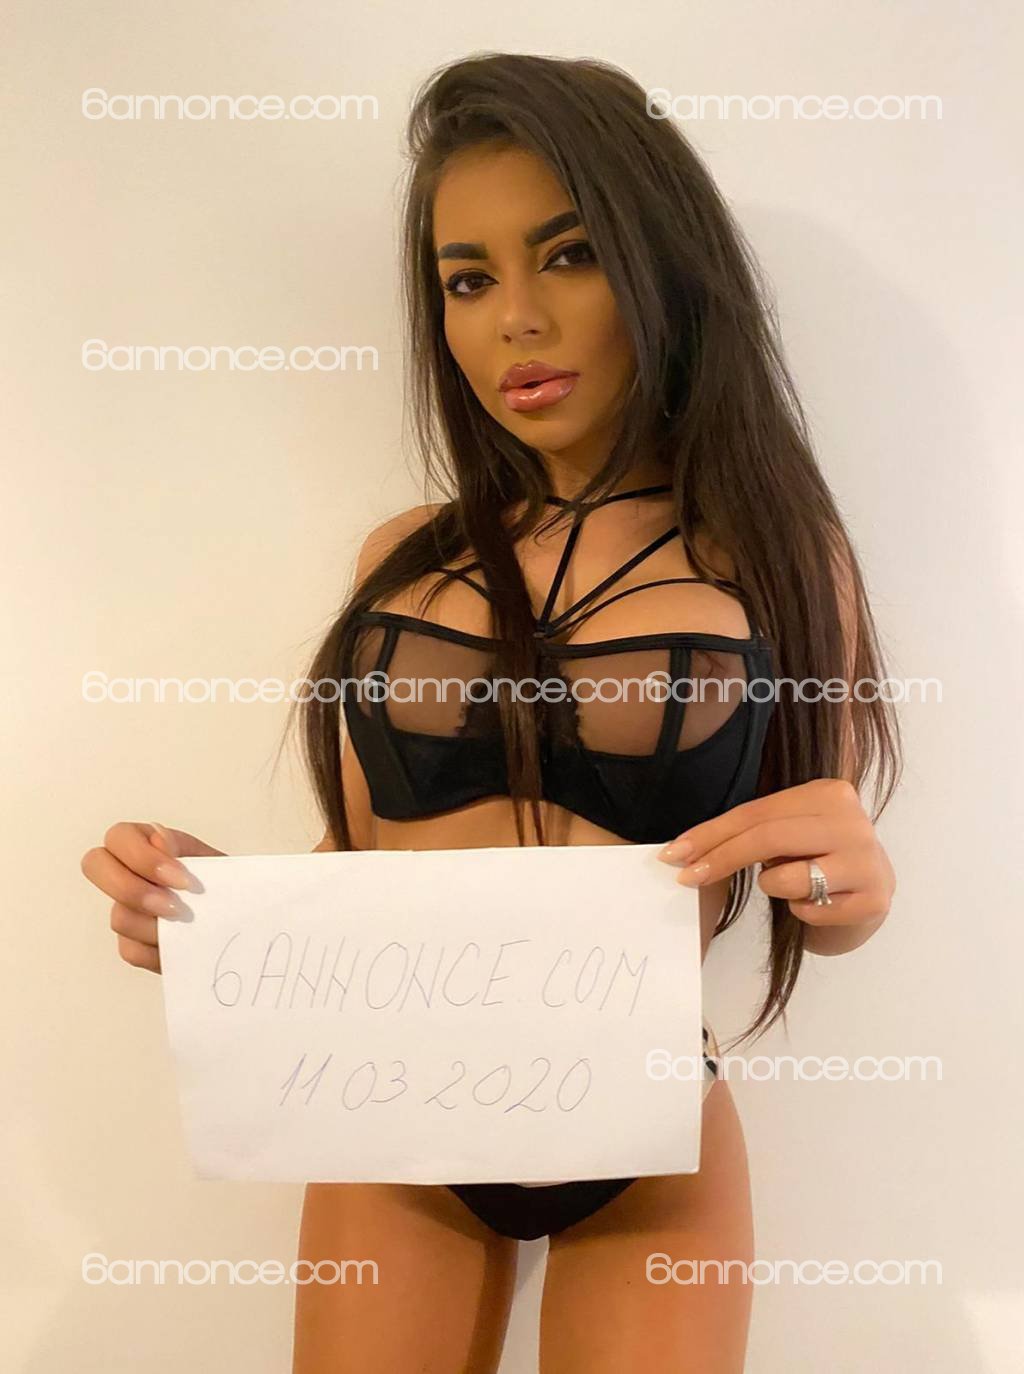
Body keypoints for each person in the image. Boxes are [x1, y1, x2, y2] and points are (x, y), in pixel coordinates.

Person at [81, 52, 901, 1374]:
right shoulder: (405, 560)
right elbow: (360, 867)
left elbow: (826, 887)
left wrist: (856, 888)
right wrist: (213, 918)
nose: (515, 318)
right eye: (467, 280)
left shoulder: (781, 560)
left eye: (568, 257)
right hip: (386, 1111)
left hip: (648, 1131)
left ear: (660, 266)